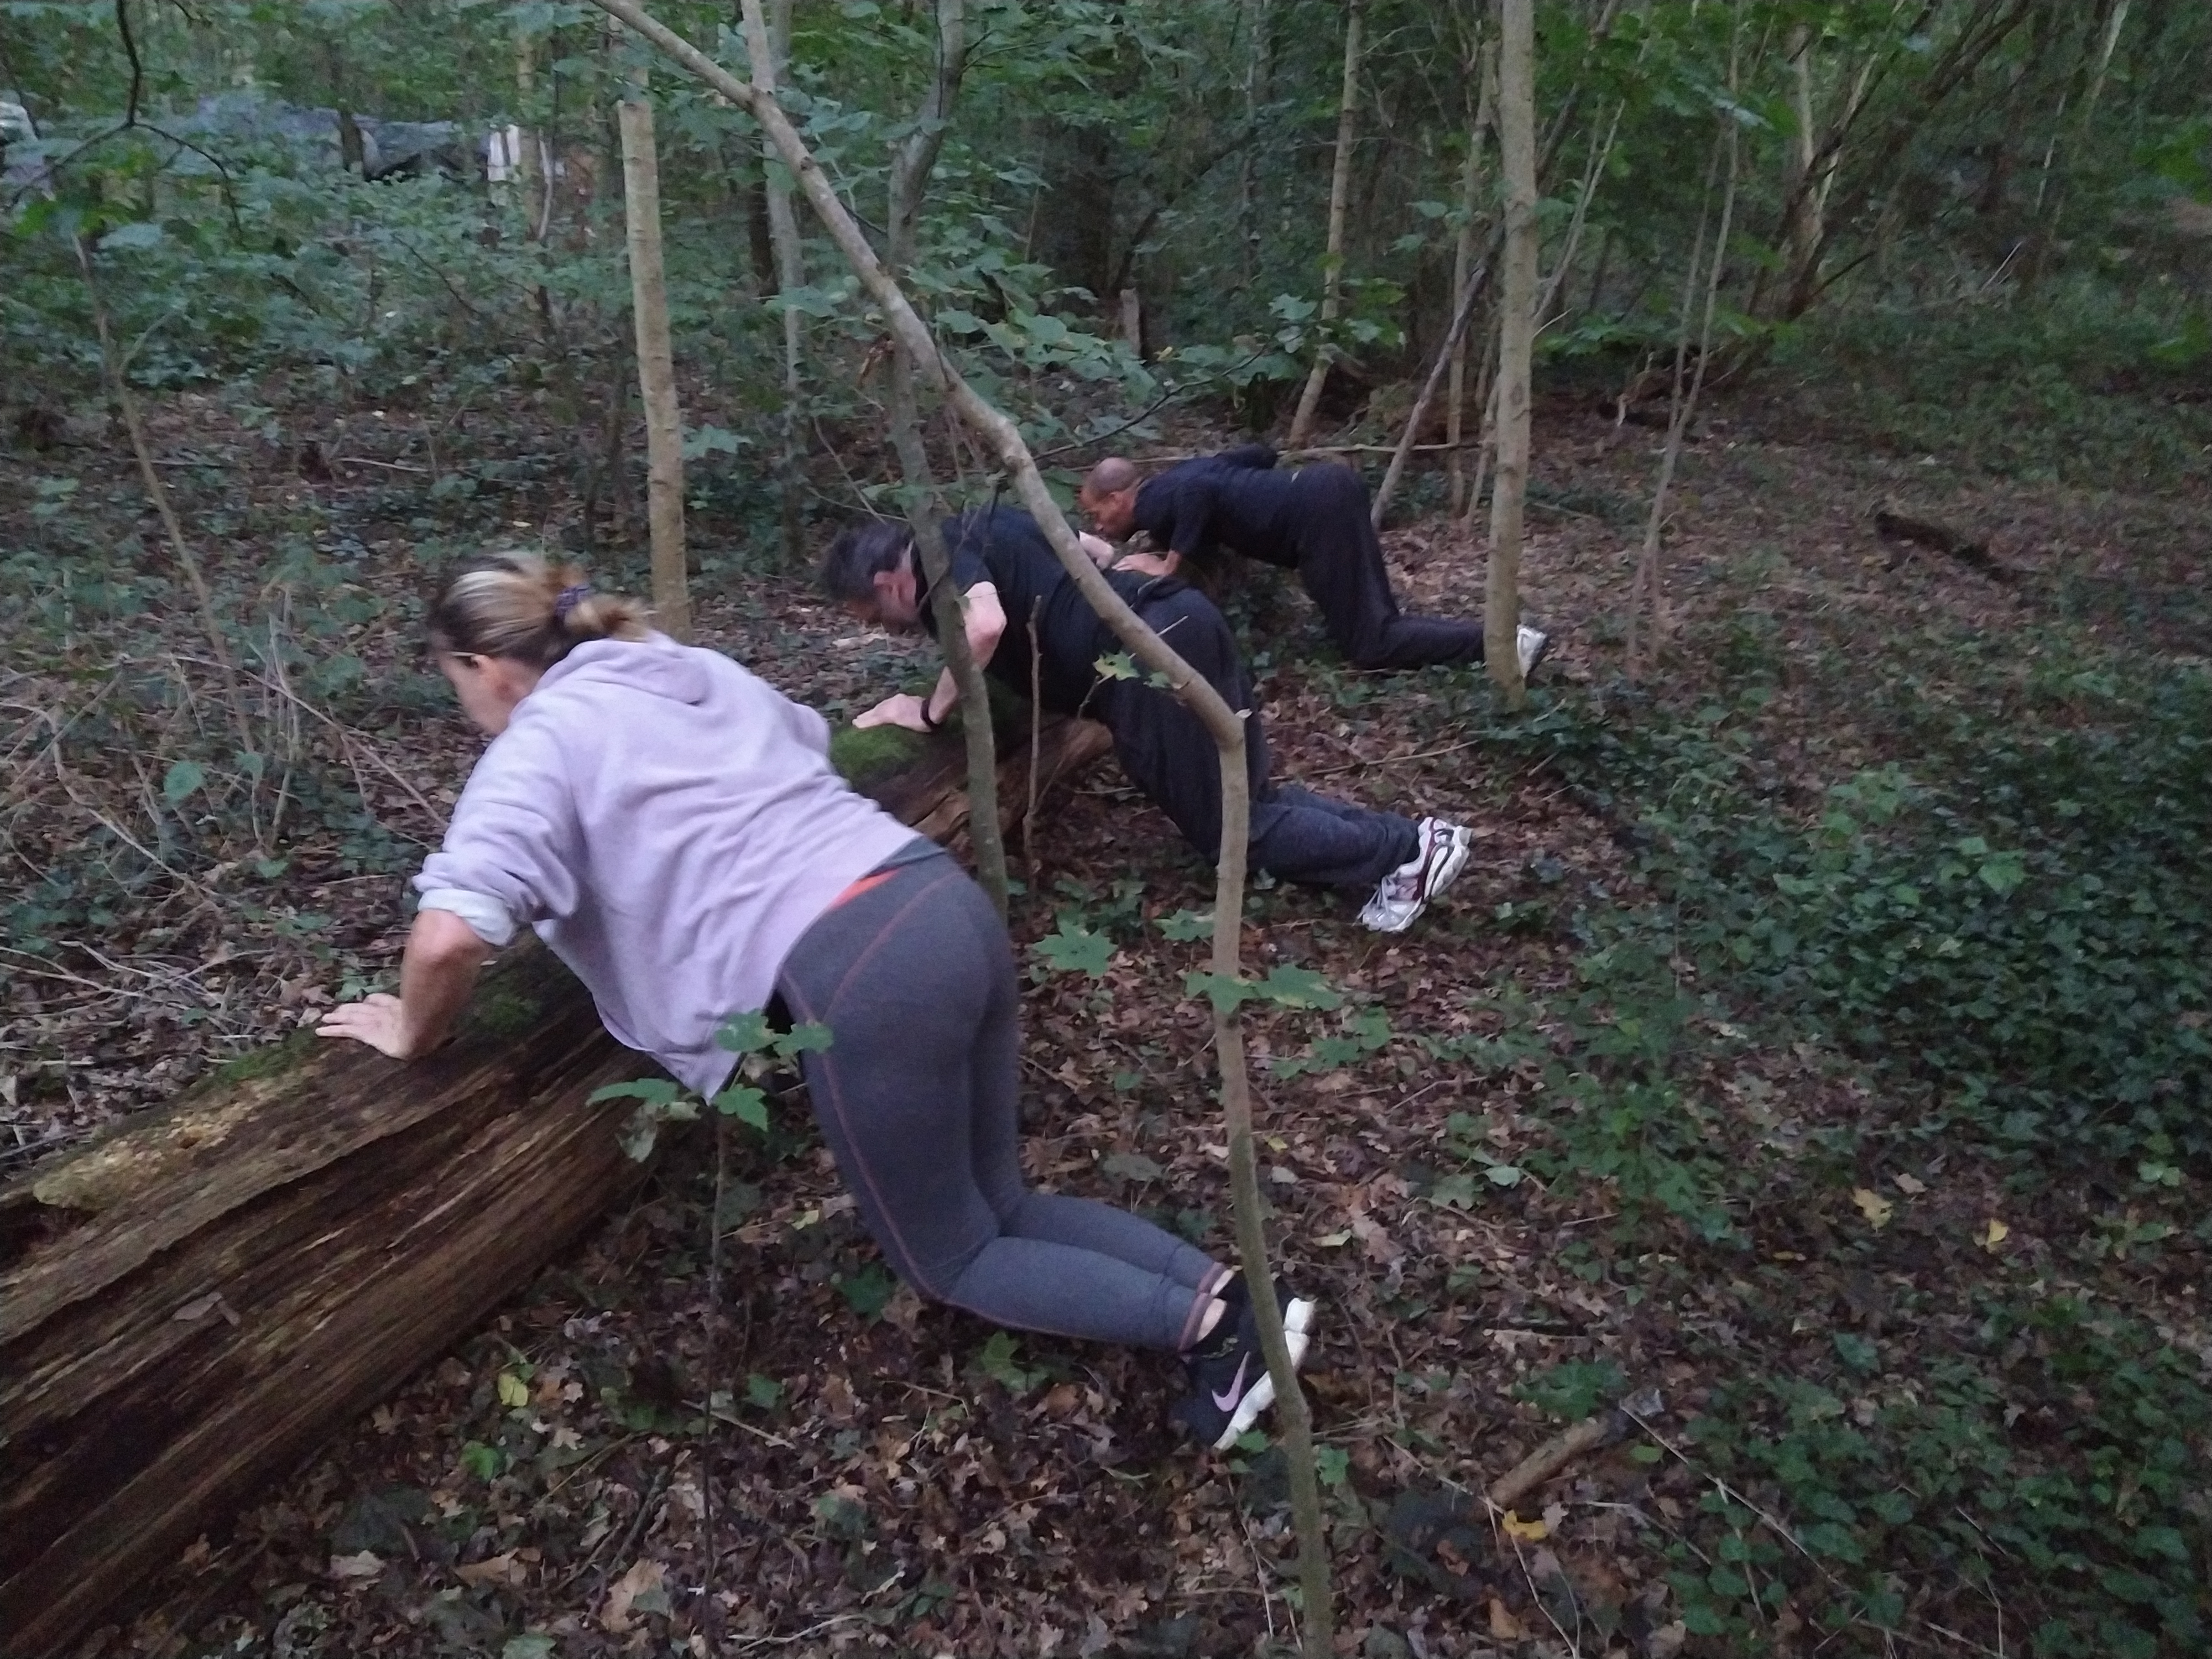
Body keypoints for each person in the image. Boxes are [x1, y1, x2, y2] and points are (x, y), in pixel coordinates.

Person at [315, 551, 1312, 1451]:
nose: (462, 705)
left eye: (453, 680)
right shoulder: (678, 669)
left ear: (486, 666)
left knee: (954, 1259)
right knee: (1001, 1199)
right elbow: (797, 740)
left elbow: (449, 934)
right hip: (936, 897)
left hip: (861, 969)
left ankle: (1222, 1337)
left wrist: (411, 1030)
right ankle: (1239, 1304)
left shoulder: (538, 743)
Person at [823, 507, 1476, 934]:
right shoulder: (987, 517)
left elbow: (987, 624)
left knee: (1232, 834)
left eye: (875, 615)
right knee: (1250, 796)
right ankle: (1410, 839)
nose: (887, 629)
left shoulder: (940, 554)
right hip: (1180, 615)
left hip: (1144, 665)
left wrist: (931, 712)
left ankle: (1408, 851)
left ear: (890, 581)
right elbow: (1091, 549)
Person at [1078, 445, 1550, 676]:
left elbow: (1200, 496)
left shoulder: (1158, 502)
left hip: (1315, 515)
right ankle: (1503, 642)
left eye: (1096, 513)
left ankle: (1505, 646)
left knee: (1371, 644)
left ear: (1120, 498)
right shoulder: (1181, 476)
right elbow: (1260, 453)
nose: (1098, 526)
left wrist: (1168, 565)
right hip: (1326, 486)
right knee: (1380, 622)